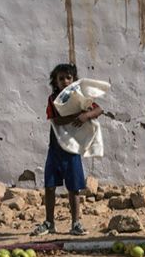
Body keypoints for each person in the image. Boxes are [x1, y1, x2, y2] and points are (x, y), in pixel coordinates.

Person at [31, 63, 103, 236]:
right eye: (61, 78)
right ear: (55, 81)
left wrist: (86, 115)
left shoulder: (80, 97)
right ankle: (49, 223)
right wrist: (76, 116)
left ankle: (76, 223)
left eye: (68, 77)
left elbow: (99, 109)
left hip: (72, 149)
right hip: (55, 148)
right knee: (49, 186)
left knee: (73, 188)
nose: (65, 81)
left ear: (74, 80)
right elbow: (56, 120)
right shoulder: (54, 99)